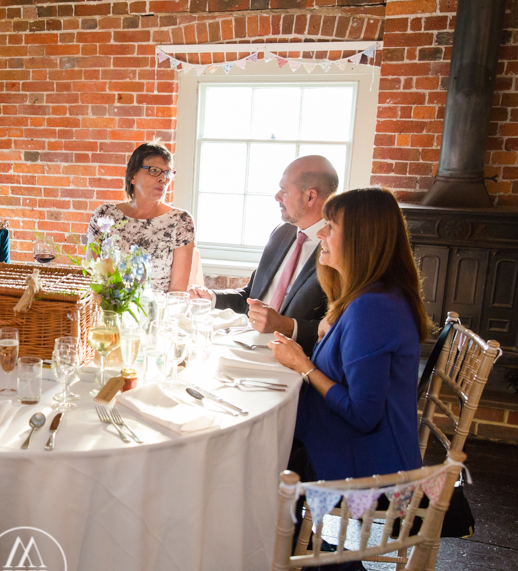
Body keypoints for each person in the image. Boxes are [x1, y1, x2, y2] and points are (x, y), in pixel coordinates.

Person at [269, 187, 430, 481]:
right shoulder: (374, 296)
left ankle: (275, 525)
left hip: (360, 464)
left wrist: (302, 365)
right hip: (351, 442)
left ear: (361, 239)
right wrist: (330, 332)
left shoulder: (373, 308)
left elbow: (362, 414)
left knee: (252, 459)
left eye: (330, 227)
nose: (320, 235)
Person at [189, 155, 337, 355]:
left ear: (310, 196)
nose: (277, 197)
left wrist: (287, 326)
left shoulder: (337, 246)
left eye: (284, 191)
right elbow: (250, 297)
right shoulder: (282, 233)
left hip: (298, 361)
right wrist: (211, 297)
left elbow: (337, 328)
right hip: (249, 346)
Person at [87, 142, 195, 293]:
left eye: (168, 173)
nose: (163, 179)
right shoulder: (105, 215)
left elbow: (177, 293)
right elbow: (91, 278)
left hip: (157, 313)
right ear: (133, 176)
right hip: (109, 310)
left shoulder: (181, 221)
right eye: (154, 170)